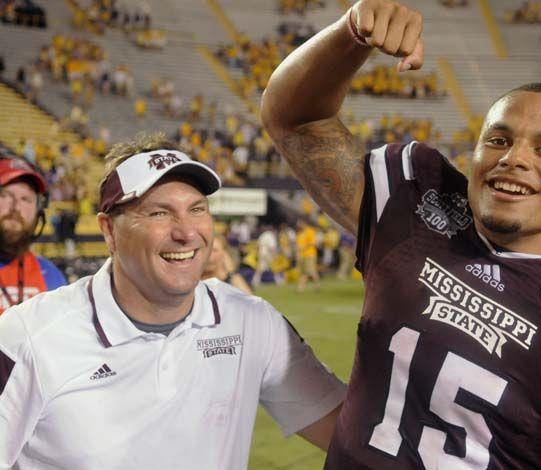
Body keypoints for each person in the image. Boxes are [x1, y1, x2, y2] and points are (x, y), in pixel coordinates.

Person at [260, 1, 541, 468]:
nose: (515, 158)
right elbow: (295, 120)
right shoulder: (418, 204)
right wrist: (350, 33)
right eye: (498, 139)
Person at [0, 134, 346, 469]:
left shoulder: (253, 322)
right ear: (109, 231)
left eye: (197, 209)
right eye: (158, 213)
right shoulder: (27, 338)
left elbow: (351, 436)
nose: (186, 232)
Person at [0, 156, 66, 314]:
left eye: (26, 199)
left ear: (38, 213)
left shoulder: (51, 276)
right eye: (5, 195)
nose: (15, 207)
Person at [295, 218, 320, 292]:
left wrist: (304, 247)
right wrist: (298, 254)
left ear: (304, 223)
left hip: (310, 254)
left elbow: (313, 243)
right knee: (306, 272)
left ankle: (301, 288)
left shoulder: (310, 231)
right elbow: (298, 246)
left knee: (309, 271)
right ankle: (316, 286)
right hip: (302, 255)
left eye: (300, 223)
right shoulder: (299, 233)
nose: (298, 225)